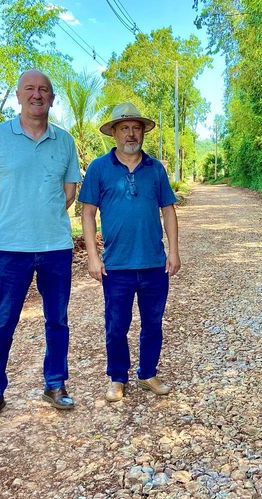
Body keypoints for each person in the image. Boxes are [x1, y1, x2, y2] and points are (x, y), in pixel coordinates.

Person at [0, 69, 82, 426]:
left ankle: (55, 384)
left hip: (55, 247)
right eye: (30, 89)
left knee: (57, 320)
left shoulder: (64, 142)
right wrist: (10, 217)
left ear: (52, 98)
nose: (37, 95)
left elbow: (69, 192)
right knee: (4, 321)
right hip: (10, 249)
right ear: (18, 95)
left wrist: (43, 218)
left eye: (44, 90)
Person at [78, 102, 180, 402]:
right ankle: (117, 378)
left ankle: (148, 373)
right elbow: (87, 214)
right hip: (116, 266)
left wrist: (173, 251)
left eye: (136, 128)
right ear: (114, 133)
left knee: (153, 322)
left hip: (154, 264)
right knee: (116, 325)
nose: (131, 134)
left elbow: (169, 211)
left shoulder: (156, 169)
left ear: (143, 133)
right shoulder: (99, 168)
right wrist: (93, 256)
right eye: (125, 128)